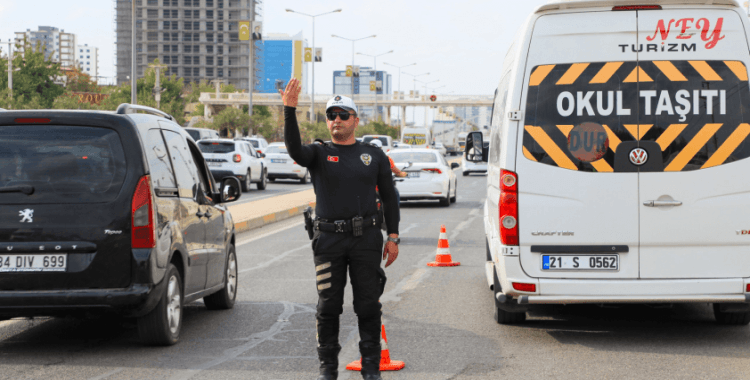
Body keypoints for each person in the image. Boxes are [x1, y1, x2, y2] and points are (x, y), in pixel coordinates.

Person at [280, 78, 400, 380]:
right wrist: (289, 111)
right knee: (328, 307)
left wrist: (394, 236)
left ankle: (371, 369)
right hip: (329, 240)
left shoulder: (373, 155)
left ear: (355, 120)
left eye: (343, 114)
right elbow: (294, 149)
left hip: (367, 240)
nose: (336, 120)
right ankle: (327, 371)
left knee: (368, 306)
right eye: (331, 115)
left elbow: (388, 196)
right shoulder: (318, 153)